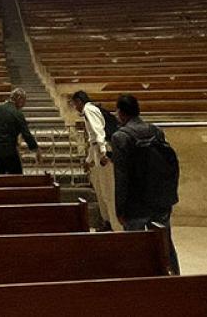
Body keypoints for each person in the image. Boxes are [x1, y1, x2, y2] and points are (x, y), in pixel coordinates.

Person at [110, 93, 180, 273]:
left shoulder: (120, 137)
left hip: (135, 203)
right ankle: (175, 280)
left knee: (135, 248)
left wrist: (120, 209)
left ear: (121, 113)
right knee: (165, 245)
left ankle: (138, 284)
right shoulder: (156, 131)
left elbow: (121, 175)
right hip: (160, 198)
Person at [70, 90, 121, 231]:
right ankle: (108, 222)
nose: (75, 108)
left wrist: (103, 153)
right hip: (98, 153)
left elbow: (99, 133)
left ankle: (115, 226)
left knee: (108, 192)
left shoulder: (89, 109)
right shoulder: (91, 110)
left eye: (75, 104)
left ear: (79, 102)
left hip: (104, 154)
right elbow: (93, 140)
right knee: (103, 192)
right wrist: (89, 159)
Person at [0, 88, 41, 174]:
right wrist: (36, 149)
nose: (24, 105)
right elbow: (26, 134)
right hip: (9, 152)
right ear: (19, 99)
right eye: (24, 101)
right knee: (16, 180)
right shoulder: (17, 113)